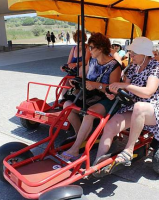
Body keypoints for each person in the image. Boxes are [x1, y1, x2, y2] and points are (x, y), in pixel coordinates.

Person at [95, 37, 159, 167]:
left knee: (139, 107)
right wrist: (113, 92)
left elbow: (148, 92)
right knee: (111, 124)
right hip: (134, 106)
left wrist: (125, 86)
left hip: (154, 109)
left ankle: (128, 150)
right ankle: (98, 161)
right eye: (131, 52)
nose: (131, 54)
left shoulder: (156, 67)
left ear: (145, 54)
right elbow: (124, 87)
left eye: (134, 52)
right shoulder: (132, 67)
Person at [59, 32, 122, 162]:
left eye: (91, 47)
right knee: (67, 105)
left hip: (106, 98)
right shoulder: (92, 61)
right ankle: (80, 136)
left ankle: (75, 149)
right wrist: (76, 80)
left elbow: (113, 89)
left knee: (90, 113)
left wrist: (96, 85)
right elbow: (83, 74)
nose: (89, 49)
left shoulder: (114, 66)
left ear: (100, 48)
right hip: (90, 95)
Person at [60, 30, 91, 97]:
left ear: (85, 39)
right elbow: (68, 62)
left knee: (76, 87)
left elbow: (86, 61)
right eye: (78, 41)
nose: (80, 42)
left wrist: (76, 64)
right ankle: (63, 100)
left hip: (83, 72)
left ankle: (74, 99)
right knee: (64, 87)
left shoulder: (87, 48)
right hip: (73, 71)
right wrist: (64, 66)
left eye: (81, 40)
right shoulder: (73, 48)